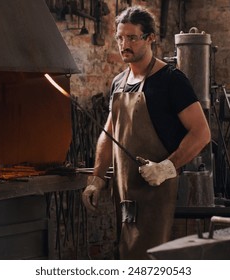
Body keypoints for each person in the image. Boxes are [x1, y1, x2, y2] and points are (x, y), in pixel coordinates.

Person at [81, 6, 211, 259]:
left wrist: (166, 167)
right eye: (120, 37)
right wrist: (97, 179)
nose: (124, 44)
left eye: (132, 37)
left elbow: (201, 133)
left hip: (159, 193)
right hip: (125, 194)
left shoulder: (171, 81)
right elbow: (109, 135)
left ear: (150, 38)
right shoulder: (119, 83)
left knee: (153, 260)